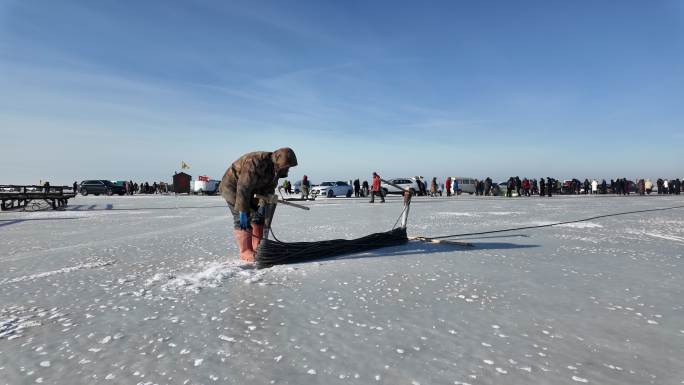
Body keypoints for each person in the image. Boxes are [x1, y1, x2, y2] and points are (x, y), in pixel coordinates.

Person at [220, 147, 298, 262]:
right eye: (287, 166)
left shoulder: (275, 170)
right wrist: (242, 211)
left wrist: (267, 203)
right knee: (243, 219)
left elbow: (270, 187)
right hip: (234, 189)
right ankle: (245, 252)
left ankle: (257, 247)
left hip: (253, 192)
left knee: (258, 217)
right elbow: (243, 187)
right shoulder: (254, 161)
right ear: (279, 161)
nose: (288, 169)